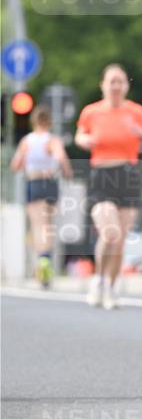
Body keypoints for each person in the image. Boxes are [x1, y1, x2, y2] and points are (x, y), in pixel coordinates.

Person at [75, 64, 142, 310]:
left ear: (126, 85)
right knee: (109, 231)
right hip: (102, 174)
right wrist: (86, 140)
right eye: (111, 81)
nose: (115, 86)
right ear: (103, 84)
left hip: (128, 174)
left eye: (120, 81)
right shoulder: (91, 112)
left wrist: (140, 131)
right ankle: (99, 280)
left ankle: (111, 288)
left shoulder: (136, 112)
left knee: (121, 238)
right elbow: (79, 135)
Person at [10, 105, 73, 287]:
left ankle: (41, 260)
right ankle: (46, 259)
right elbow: (61, 157)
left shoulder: (27, 141)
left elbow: (15, 165)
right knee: (48, 224)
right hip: (50, 182)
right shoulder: (52, 140)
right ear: (50, 122)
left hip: (34, 182)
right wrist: (67, 171)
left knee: (37, 226)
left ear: (34, 122)